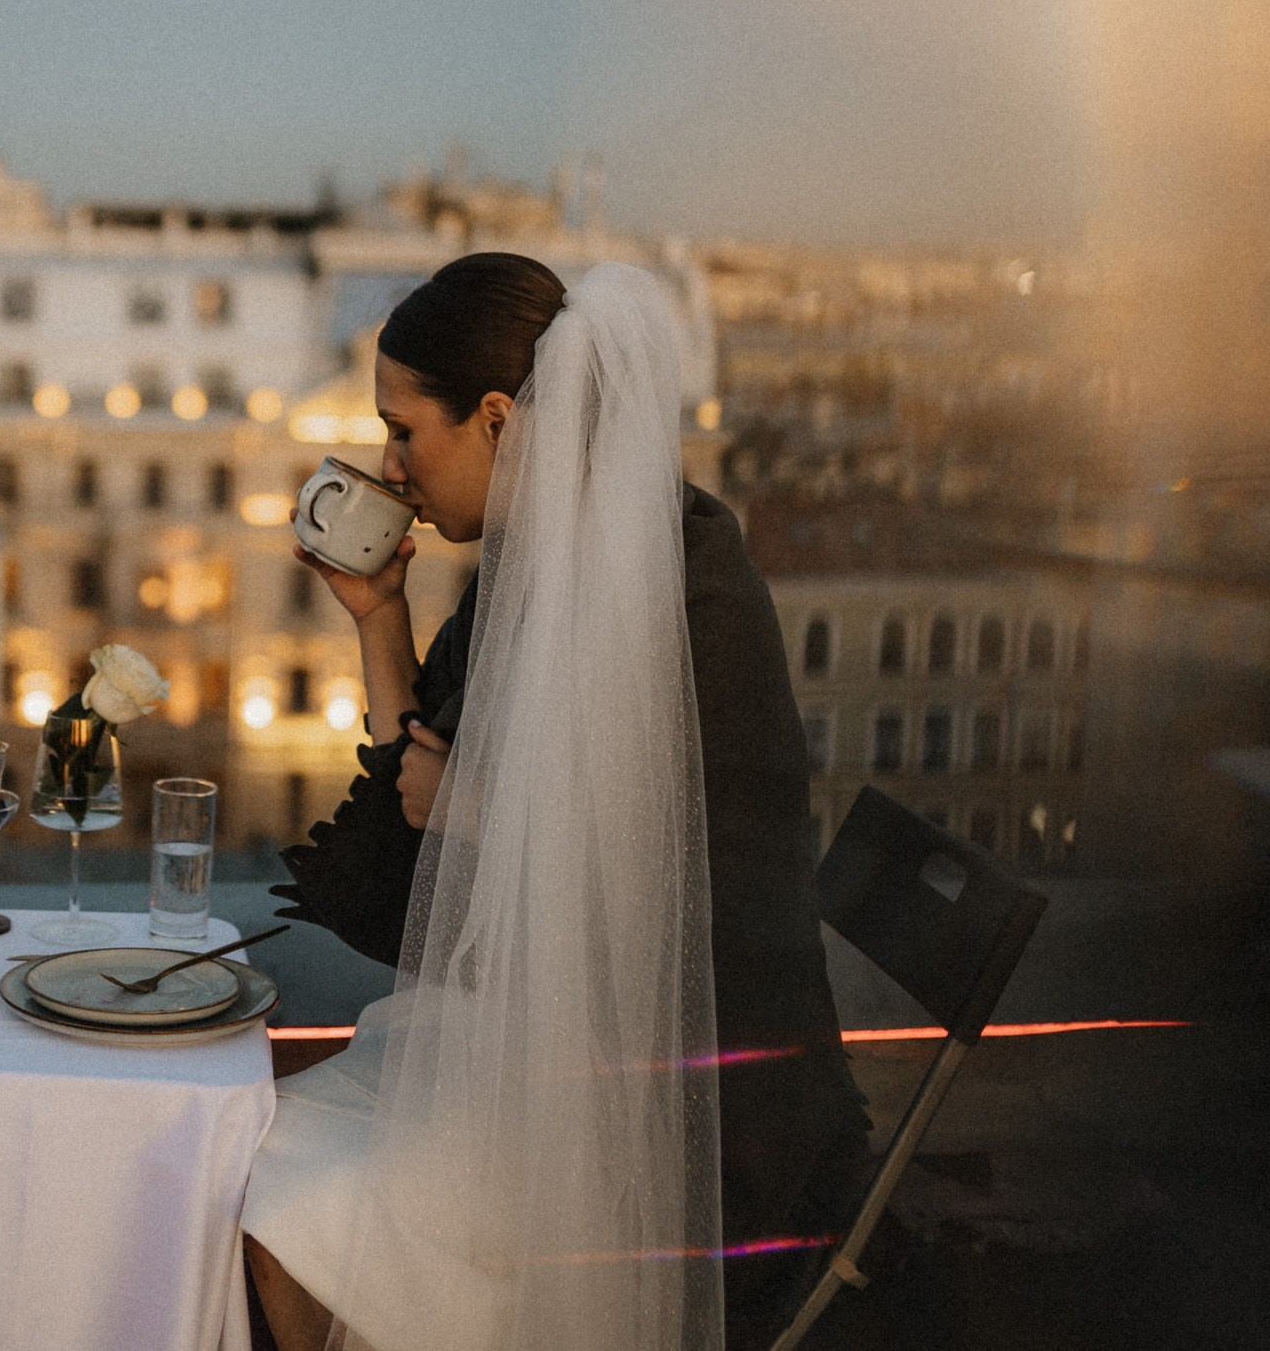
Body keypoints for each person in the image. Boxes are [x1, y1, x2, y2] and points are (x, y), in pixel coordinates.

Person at [244, 255, 868, 1351]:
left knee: (285, 1209)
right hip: (540, 1041)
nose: (388, 464)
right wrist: (378, 618)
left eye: (403, 430)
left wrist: (479, 803)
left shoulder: (685, 580)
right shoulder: (530, 558)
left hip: (680, 1104)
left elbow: (675, 889)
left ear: (494, 418)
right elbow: (419, 812)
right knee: (257, 1147)